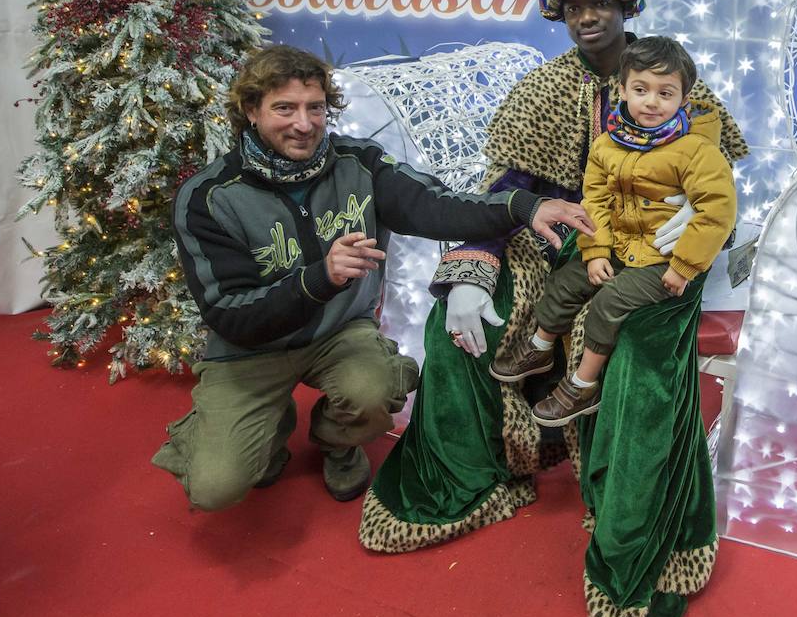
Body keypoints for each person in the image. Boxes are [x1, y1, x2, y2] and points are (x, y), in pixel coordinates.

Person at [359, 0, 748, 617]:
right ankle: (488, 464)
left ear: (626, 4)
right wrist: (473, 269)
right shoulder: (543, 89)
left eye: (600, 2)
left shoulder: (678, 81)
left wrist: (692, 225)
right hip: (556, 237)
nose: (588, 16)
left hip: (655, 249)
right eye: (573, 7)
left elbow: (716, 179)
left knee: (634, 360)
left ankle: (645, 539)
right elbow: (505, 191)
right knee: (457, 322)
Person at [153, 45, 593, 512]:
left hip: (340, 334)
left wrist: (523, 206)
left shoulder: (357, 162)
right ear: (250, 111)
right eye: (284, 108)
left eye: (315, 107)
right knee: (215, 489)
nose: (304, 124)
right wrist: (318, 278)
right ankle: (263, 425)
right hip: (250, 353)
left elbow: (435, 207)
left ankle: (336, 439)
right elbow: (228, 315)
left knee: (379, 387)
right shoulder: (208, 196)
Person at [489, 35, 736, 427]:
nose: (652, 102)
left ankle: (582, 385)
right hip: (620, 245)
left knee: (608, 305)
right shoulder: (608, 145)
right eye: (641, 90)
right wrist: (596, 250)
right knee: (565, 282)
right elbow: (596, 202)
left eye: (665, 93)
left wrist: (684, 265)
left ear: (684, 100)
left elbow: (717, 212)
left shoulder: (695, 151)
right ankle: (540, 347)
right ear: (622, 90)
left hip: (662, 257)